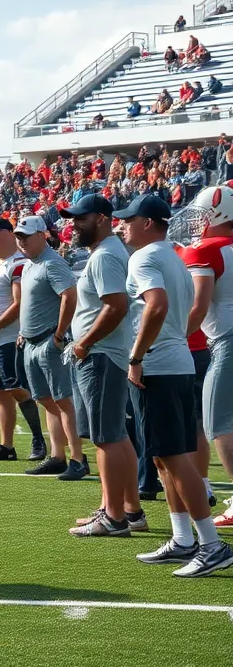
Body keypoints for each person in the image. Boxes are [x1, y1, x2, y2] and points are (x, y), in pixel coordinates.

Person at [115, 194, 232, 575]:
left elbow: (157, 305)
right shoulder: (175, 256)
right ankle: (183, 538)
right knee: (165, 456)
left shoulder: (145, 257)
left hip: (159, 367)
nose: (121, 225)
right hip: (175, 361)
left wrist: (136, 357)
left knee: (176, 458)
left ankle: (211, 546)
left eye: (128, 219)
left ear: (148, 223)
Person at [61, 195, 141, 536]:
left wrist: (84, 343)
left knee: (106, 438)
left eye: (82, 217)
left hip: (102, 355)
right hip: (104, 354)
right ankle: (128, 510)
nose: (75, 223)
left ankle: (114, 516)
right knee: (114, 437)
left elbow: (116, 306)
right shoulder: (105, 253)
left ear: (103, 218)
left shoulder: (106, 255)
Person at [14, 215, 88, 480]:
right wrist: (24, 330)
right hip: (32, 341)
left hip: (47, 340)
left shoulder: (52, 262)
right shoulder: (31, 265)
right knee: (46, 400)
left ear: (41, 235)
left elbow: (70, 295)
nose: (20, 241)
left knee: (62, 401)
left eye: (25, 236)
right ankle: (57, 455)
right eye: (18, 236)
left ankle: (78, 458)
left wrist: (58, 334)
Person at [178, 185, 233, 527]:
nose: (198, 222)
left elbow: (198, 307)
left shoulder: (206, 249)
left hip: (226, 341)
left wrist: (171, 338)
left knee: (219, 424)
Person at [0, 219, 46, 462]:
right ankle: (7, 445)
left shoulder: (18, 264)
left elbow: (19, 304)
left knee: (18, 390)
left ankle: (38, 439)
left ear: (7, 234)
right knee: (1, 393)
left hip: (9, 338)